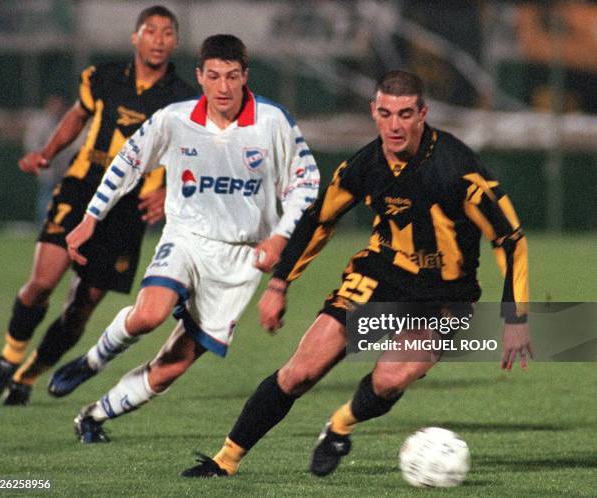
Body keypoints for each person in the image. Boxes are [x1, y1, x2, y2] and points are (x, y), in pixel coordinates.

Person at [181, 70, 532, 478]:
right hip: (379, 278)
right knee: (299, 373)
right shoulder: (366, 164)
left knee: (390, 379)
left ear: (423, 114)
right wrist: (279, 283)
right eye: (385, 114)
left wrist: (516, 316)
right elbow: (318, 220)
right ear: (373, 112)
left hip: (444, 296)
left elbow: (510, 239)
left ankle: (340, 425)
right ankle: (225, 460)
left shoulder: (457, 168)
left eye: (404, 114)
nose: (394, 126)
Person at [48, 34, 319, 444]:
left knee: (172, 365)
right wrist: (90, 218)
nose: (223, 87)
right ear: (200, 77)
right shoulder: (174, 118)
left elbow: (308, 182)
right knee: (150, 314)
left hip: (240, 259)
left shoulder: (272, 121)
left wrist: (280, 237)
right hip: (187, 236)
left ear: (246, 76)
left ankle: (94, 415)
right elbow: (127, 163)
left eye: (232, 76)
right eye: (213, 76)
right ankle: (93, 359)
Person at [0, 5, 194, 406]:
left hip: (129, 208)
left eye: (167, 33)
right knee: (43, 282)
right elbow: (77, 116)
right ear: (136, 37)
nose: (159, 39)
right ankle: (8, 358)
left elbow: (193, 153)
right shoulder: (103, 77)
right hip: (82, 188)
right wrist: (47, 152)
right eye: (151, 31)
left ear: (176, 42)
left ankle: (27, 376)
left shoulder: (184, 99)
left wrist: (168, 190)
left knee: (81, 308)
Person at [23, 95, 77, 224]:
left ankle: (57, 223)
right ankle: (43, 223)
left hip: (62, 168)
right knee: (46, 195)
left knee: (61, 197)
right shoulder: (40, 123)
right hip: (47, 167)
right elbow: (32, 143)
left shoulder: (64, 121)